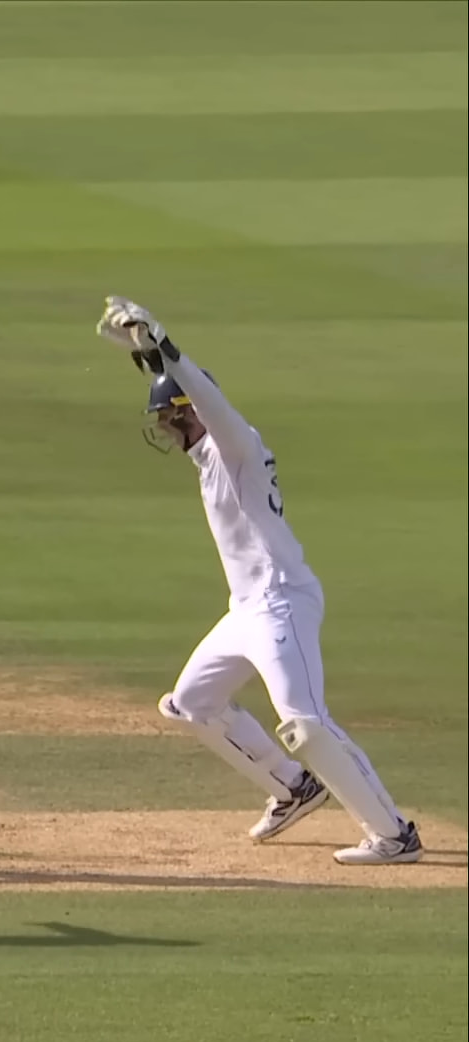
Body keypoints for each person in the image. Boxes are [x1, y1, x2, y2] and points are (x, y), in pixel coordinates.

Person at [99, 296, 422, 865]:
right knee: (190, 703)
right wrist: (147, 357)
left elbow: (210, 403)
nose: (167, 431)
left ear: (189, 412)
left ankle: (394, 833)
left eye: (171, 418)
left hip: (282, 604)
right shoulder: (208, 457)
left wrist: (168, 346)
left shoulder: (238, 445)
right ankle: (294, 786)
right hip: (246, 609)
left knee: (305, 723)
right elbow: (189, 401)